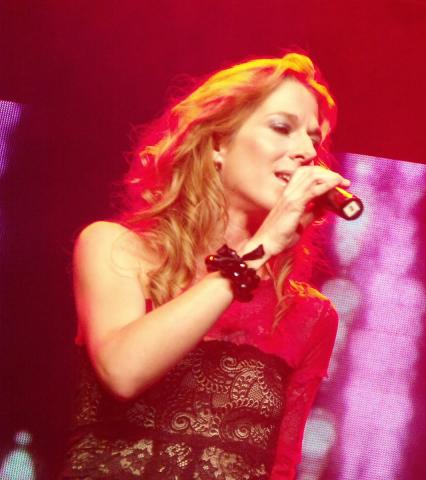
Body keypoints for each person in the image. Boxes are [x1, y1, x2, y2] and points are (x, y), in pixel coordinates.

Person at [60, 52, 346, 479]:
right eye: (282, 127)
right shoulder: (115, 248)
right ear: (218, 144)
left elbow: (281, 466)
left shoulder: (307, 314)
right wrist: (259, 249)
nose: (307, 152)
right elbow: (122, 371)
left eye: (314, 141)